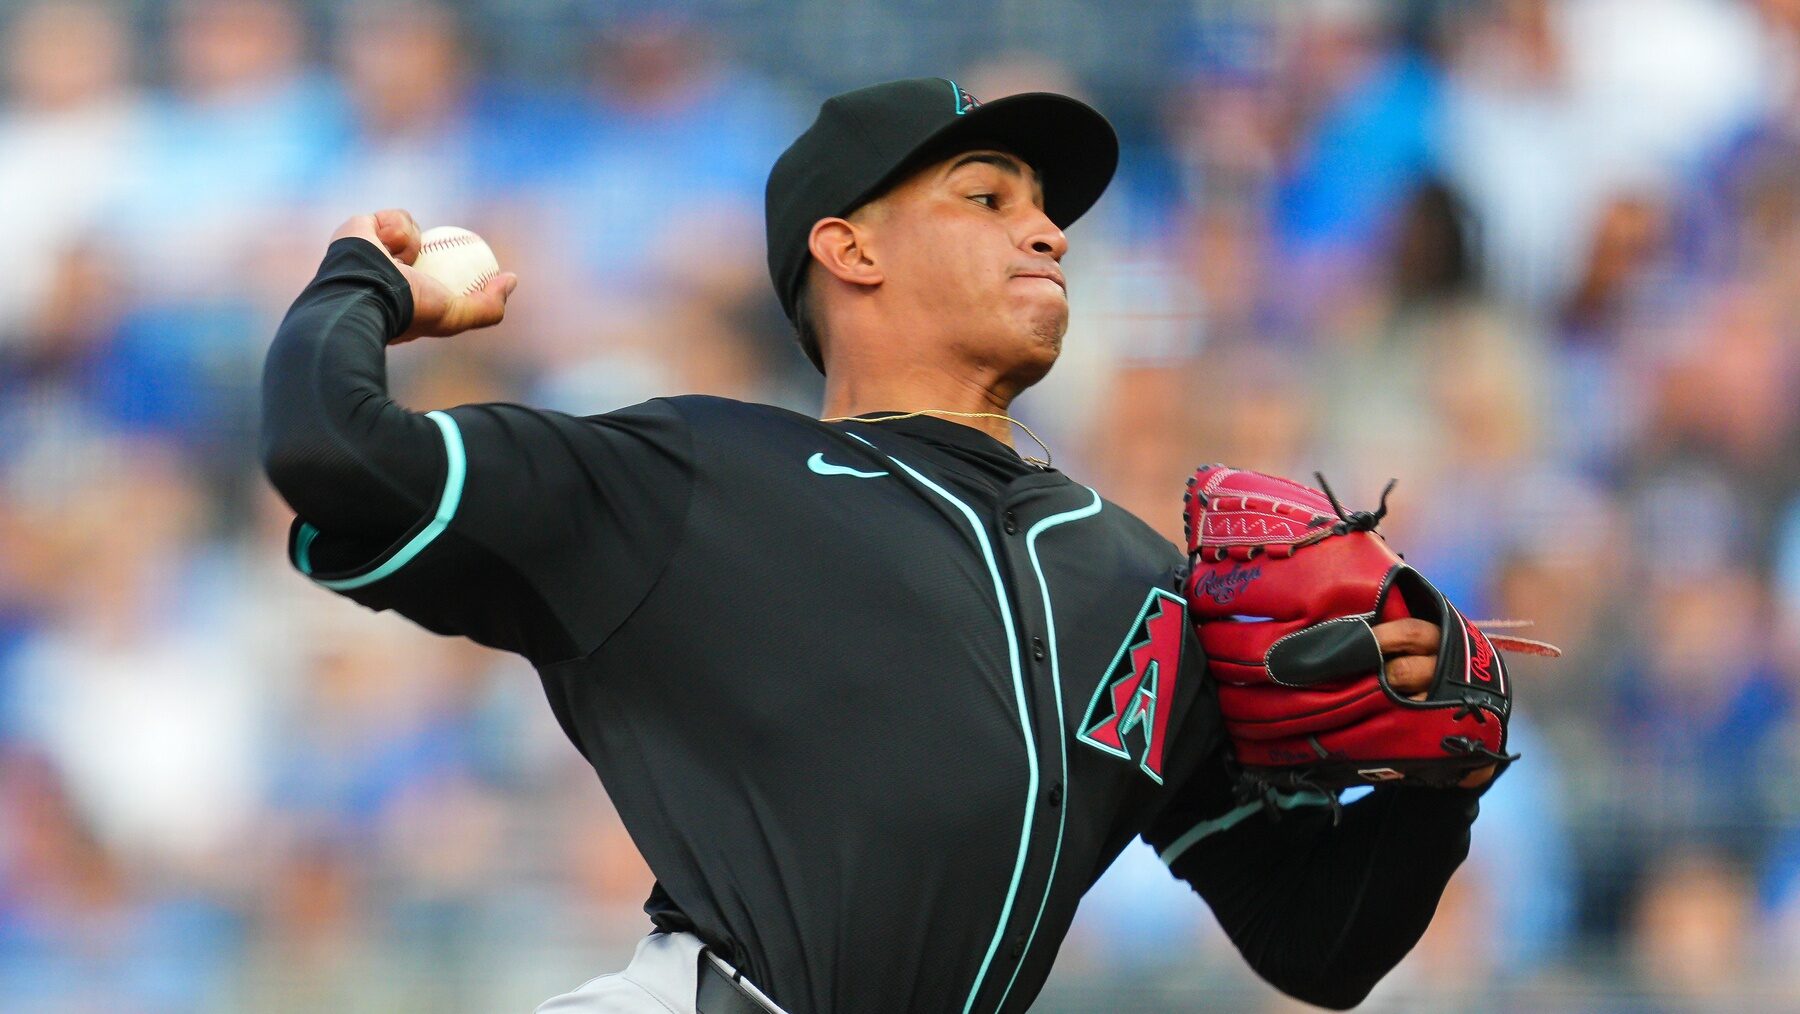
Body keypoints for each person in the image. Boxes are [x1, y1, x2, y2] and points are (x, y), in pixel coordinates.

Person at [261, 77, 1488, 1014]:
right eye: (989, 198)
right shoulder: (693, 476)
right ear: (850, 249)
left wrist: (1441, 779)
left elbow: (1321, 946)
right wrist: (362, 287)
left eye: (1048, 210)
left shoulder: (1139, 588)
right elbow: (335, 452)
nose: (1049, 232)